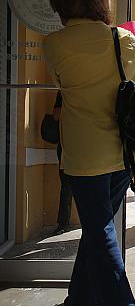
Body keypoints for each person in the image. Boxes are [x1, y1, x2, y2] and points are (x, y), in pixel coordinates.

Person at [44, 0, 135, 306]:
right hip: (121, 154)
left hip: (81, 155)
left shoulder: (53, 44)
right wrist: (133, 53)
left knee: (97, 228)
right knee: (98, 228)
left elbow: (62, 84)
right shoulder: (119, 38)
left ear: (60, 4)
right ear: (97, 1)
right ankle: (87, 300)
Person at [52, 92, 73, 236]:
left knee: (66, 187)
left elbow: (56, 115)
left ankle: (63, 223)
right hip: (84, 144)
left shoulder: (64, 90)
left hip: (68, 144)